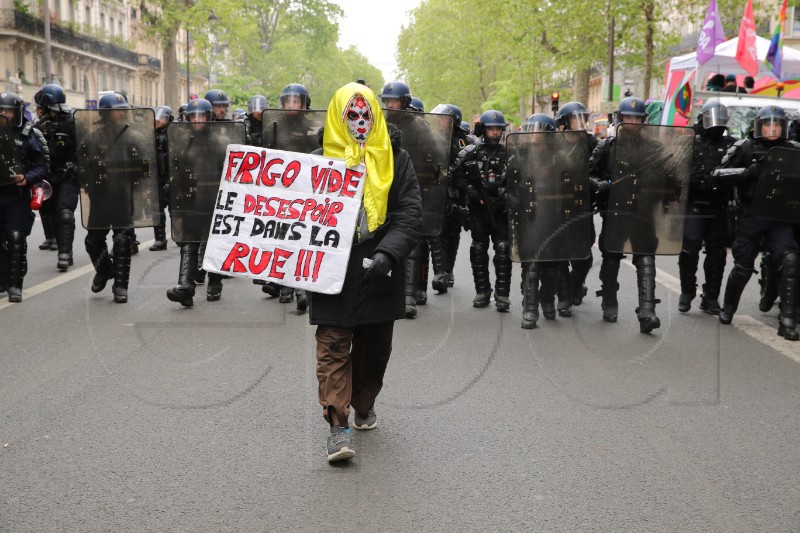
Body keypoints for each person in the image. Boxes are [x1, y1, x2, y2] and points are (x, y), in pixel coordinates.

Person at [308, 82, 421, 462]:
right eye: (350, 116)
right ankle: (337, 428)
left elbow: (409, 213)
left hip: (379, 272)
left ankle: (363, 403)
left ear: (376, 118)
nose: (358, 123)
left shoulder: (398, 159)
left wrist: (389, 254)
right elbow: (293, 219)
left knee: (375, 352)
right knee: (333, 347)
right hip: (331, 272)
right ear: (338, 119)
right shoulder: (314, 161)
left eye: (365, 116)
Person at [590, 96, 678, 333]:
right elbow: (588, 175)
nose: (632, 122)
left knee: (646, 258)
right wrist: (600, 185)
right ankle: (609, 301)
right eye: (628, 117)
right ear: (620, 119)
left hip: (643, 213)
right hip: (615, 212)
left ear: (643, 121)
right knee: (610, 257)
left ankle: (647, 311)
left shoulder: (655, 149)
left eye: (637, 118)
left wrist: (671, 191)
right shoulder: (607, 147)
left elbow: (670, 179)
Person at [714, 105, 800, 340]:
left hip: (781, 217)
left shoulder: (793, 150)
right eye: (767, 124)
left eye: (776, 124)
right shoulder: (746, 147)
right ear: (759, 126)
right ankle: (728, 308)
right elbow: (718, 175)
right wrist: (748, 173)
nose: (772, 128)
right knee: (742, 266)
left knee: (790, 259)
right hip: (751, 215)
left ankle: (788, 321)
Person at [81, 92, 146, 304]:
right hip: (100, 196)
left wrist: (138, 184)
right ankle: (104, 270)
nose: (121, 113)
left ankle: (120, 286)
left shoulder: (133, 137)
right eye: (117, 110)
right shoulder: (93, 137)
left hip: (123, 196)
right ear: (105, 113)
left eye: (122, 109)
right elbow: (82, 164)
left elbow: (145, 167)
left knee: (122, 241)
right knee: (93, 241)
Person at [678, 101, 735, 314]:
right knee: (689, 247)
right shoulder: (689, 142)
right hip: (694, 204)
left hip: (718, 205)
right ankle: (687, 291)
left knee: (717, 253)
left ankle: (711, 297)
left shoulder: (732, 145)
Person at [453, 110, 511, 311]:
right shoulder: (471, 151)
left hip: (502, 210)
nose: (494, 133)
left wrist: (507, 193)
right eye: (491, 128)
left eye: (498, 129)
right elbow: (456, 176)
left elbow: (523, 177)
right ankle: (483, 291)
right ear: (483, 130)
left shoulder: (510, 152)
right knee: (478, 249)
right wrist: (471, 191)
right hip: (478, 209)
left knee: (503, 249)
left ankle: (502, 294)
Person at [0, 91, 49, 302]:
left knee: (16, 237)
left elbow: (43, 166)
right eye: (1, 110)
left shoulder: (31, 135)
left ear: (17, 112)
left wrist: (26, 178)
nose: (4, 114)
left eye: (8, 111)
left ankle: (15, 285)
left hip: (17, 194)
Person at [553, 101, 598, 317]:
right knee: (561, 254)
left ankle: (574, 285)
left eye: (583, 118)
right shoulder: (553, 143)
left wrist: (597, 184)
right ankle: (564, 298)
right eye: (575, 118)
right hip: (558, 204)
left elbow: (600, 169)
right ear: (564, 122)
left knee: (584, 255)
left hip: (582, 205)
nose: (581, 123)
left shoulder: (591, 142)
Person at [33, 84, 78, 271]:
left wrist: (76, 166)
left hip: (68, 174)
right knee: (50, 213)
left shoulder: (72, 122)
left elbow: (84, 148)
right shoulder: (38, 126)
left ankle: (65, 254)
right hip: (47, 176)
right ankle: (62, 247)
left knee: (65, 213)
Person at [150, 105, 173, 252]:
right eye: (157, 117)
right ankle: (160, 239)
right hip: (156, 176)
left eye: (163, 117)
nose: (159, 120)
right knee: (157, 209)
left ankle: (179, 235)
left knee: (175, 208)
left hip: (172, 176)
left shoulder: (176, 133)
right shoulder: (149, 134)